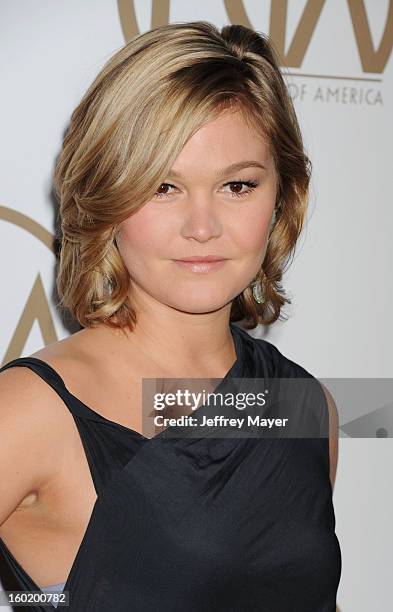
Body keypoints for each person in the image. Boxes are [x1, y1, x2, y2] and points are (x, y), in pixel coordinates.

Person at [0, 20, 341, 611]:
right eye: (163, 187)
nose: (202, 227)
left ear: (282, 196)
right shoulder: (30, 411)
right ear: (106, 195)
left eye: (237, 186)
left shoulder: (303, 405)